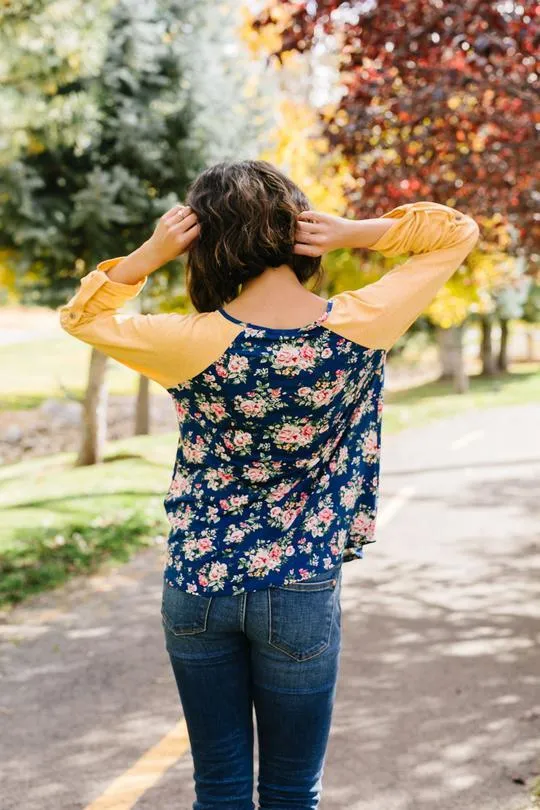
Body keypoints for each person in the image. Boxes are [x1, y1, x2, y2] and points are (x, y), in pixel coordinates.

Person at [59, 159, 479, 810]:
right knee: (291, 793)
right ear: (298, 231)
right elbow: (456, 233)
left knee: (219, 790)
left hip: (198, 583)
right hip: (300, 588)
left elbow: (84, 317)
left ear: (204, 248)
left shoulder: (185, 341)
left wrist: (150, 252)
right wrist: (352, 232)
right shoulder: (363, 322)